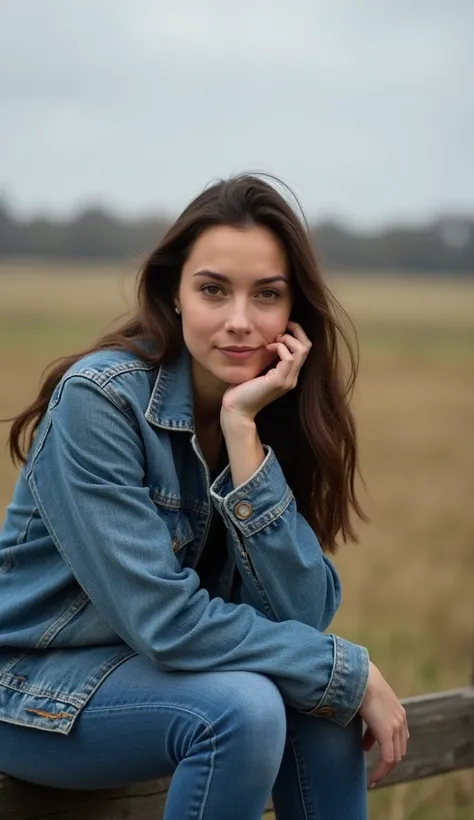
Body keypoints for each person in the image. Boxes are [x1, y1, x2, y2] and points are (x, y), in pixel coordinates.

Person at [0, 173, 408, 819]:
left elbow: (300, 618)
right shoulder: (101, 401)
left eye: (267, 295)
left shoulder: (269, 412)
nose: (240, 322)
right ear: (175, 294)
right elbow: (163, 621)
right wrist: (347, 670)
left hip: (146, 679)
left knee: (323, 708)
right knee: (245, 711)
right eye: (214, 290)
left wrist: (245, 440)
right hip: (24, 686)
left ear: (293, 310)